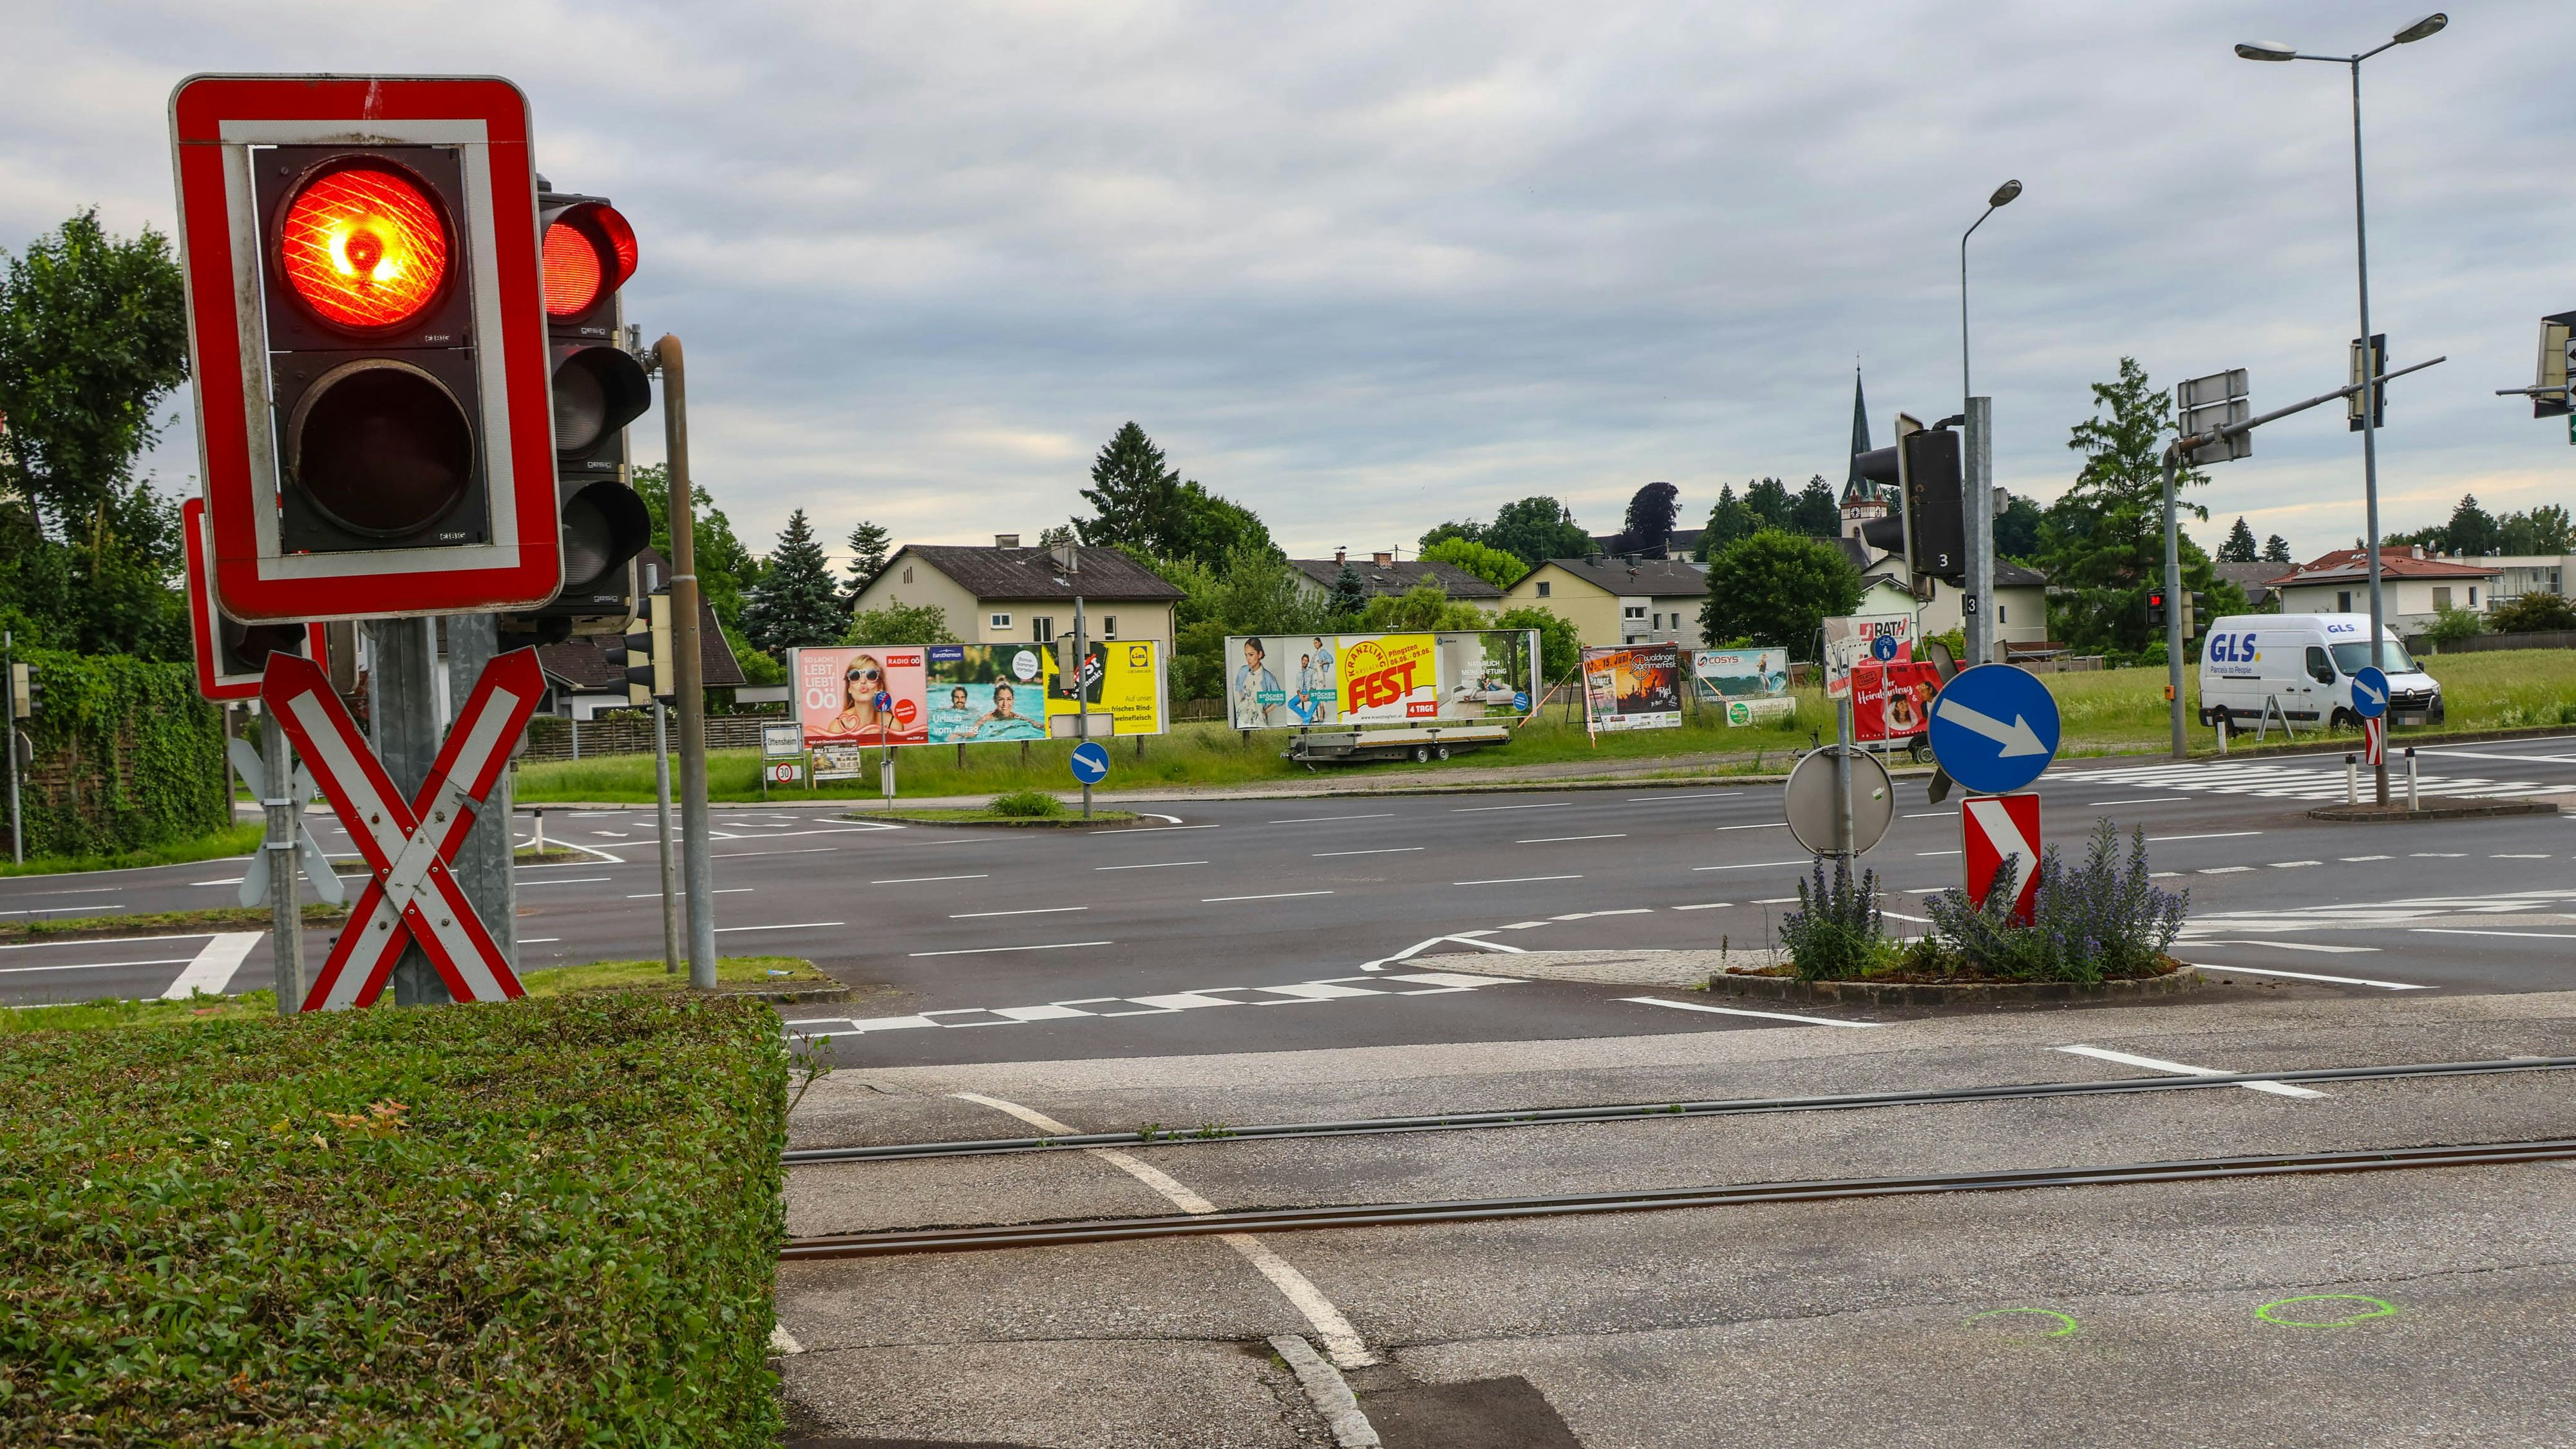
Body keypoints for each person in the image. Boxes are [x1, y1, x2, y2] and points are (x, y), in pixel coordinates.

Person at [824, 657, 886, 737]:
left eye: (871, 675)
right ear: (849, 688)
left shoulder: (893, 726)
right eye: (855, 676)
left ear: (880, 686)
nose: (863, 681)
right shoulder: (837, 728)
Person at [1233, 638, 1283, 726]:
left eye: (1251, 655)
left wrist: (1265, 712)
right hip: (1242, 720)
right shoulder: (1243, 671)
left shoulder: (1268, 677)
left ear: (1260, 654)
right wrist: (1242, 702)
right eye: (1246, 655)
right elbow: (1238, 688)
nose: (1248, 659)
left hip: (1260, 721)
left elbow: (1280, 699)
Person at [961, 681, 1031, 737]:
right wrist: (959, 735)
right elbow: (973, 733)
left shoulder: (1017, 717)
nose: (1005, 704)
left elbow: (1037, 725)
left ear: (1013, 700)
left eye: (1009, 699)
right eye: (1001, 699)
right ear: (995, 700)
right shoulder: (987, 718)